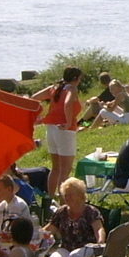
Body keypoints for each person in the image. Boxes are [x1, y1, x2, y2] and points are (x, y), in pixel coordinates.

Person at [42, 177, 105, 257]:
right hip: (66, 247)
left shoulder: (90, 211)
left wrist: (100, 242)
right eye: (66, 195)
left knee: (75, 256)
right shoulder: (61, 212)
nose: (68, 197)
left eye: (71, 194)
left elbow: (99, 229)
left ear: (81, 195)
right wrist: (35, 233)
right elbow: (49, 230)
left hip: (87, 248)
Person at [31, 66, 82, 198]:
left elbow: (34, 97)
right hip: (64, 130)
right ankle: (64, 201)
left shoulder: (54, 88)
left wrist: (36, 116)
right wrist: (69, 122)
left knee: (56, 168)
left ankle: (50, 198)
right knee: (65, 170)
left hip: (50, 129)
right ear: (76, 79)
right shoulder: (72, 89)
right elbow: (68, 104)